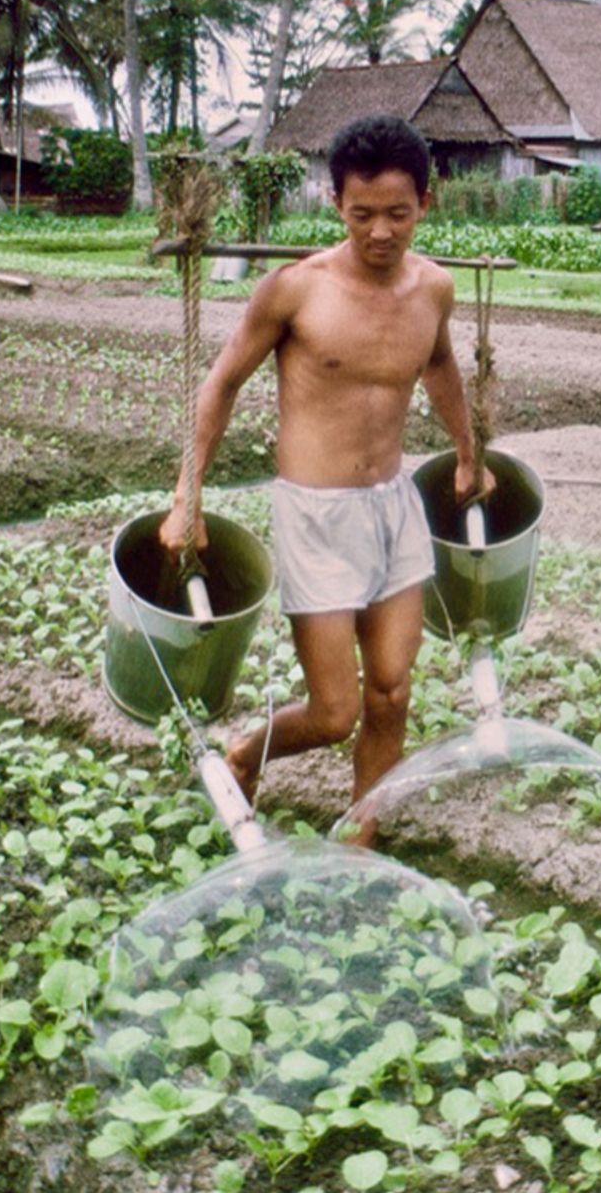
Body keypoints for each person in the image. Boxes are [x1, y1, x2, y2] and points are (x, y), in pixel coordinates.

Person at [159, 114, 490, 811]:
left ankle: (362, 834)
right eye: (362, 213)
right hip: (316, 514)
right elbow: (219, 383)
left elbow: (441, 369)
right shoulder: (294, 290)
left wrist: (468, 453)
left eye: (398, 214)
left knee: (393, 689)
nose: (379, 232)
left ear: (426, 205)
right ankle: (248, 750)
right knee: (335, 711)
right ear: (335, 202)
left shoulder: (434, 290)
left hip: (394, 506)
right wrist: (187, 495)